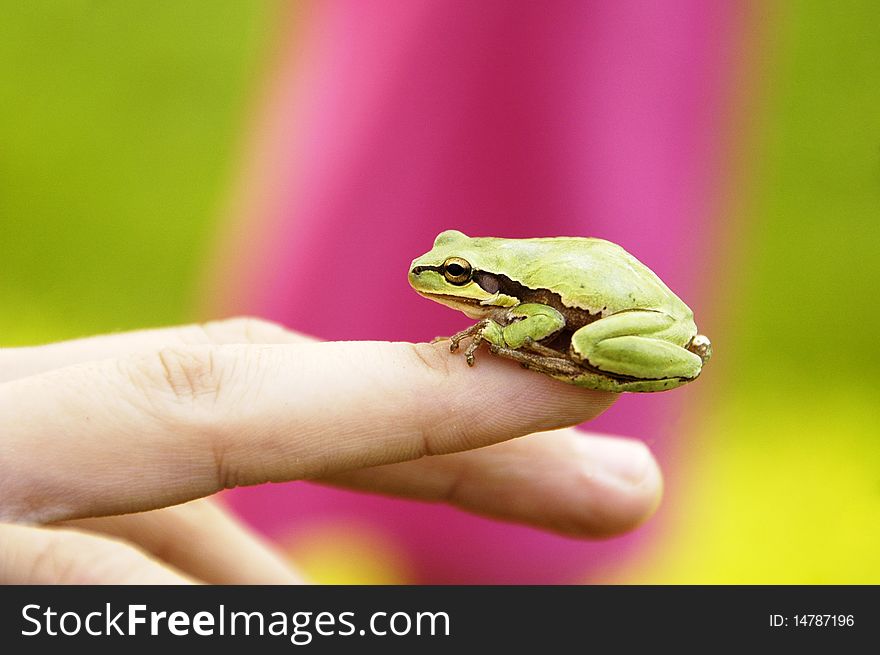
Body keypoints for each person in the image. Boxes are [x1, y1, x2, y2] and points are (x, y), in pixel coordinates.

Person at [0, 316, 661, 583]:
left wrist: (496, 330)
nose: (433, 278)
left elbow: (542, 320)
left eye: (458, 273)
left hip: (596, 321)